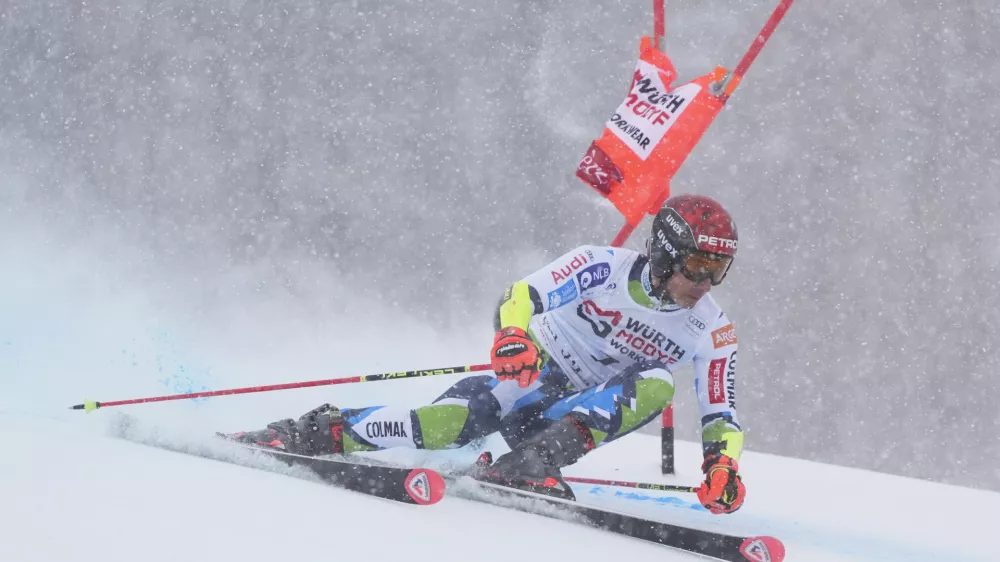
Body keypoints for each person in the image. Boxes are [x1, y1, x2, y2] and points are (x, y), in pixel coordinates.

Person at [231, 193, 746, 514]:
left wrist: (722, 465)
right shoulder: (600, 265)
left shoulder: (712, 329)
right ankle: (315, 431)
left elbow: (722, 411)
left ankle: (528, 464)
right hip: (531, 376)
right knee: (446, 425)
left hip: (569, 418)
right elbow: (522, 296)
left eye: (717, 270)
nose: (704, 282)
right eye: (698, 264)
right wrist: (512, 336)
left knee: (657, 381)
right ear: (664, 252)